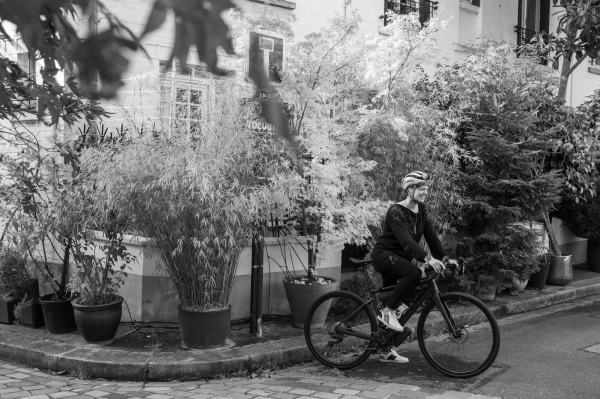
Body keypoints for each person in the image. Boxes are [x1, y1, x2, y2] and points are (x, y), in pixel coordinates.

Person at [371, 171, 453, 364]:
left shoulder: (422, 211)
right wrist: (427, 258)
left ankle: (384, 349)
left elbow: (431, 238)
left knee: (408, 294)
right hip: (384, 256)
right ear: (410, 189)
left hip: (399, 260)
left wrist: (445, 259)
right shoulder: (395, 211)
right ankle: (387, 312)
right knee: (414, 273)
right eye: (422, 188)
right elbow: (406, 241)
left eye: (427, 189)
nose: (426, 192)